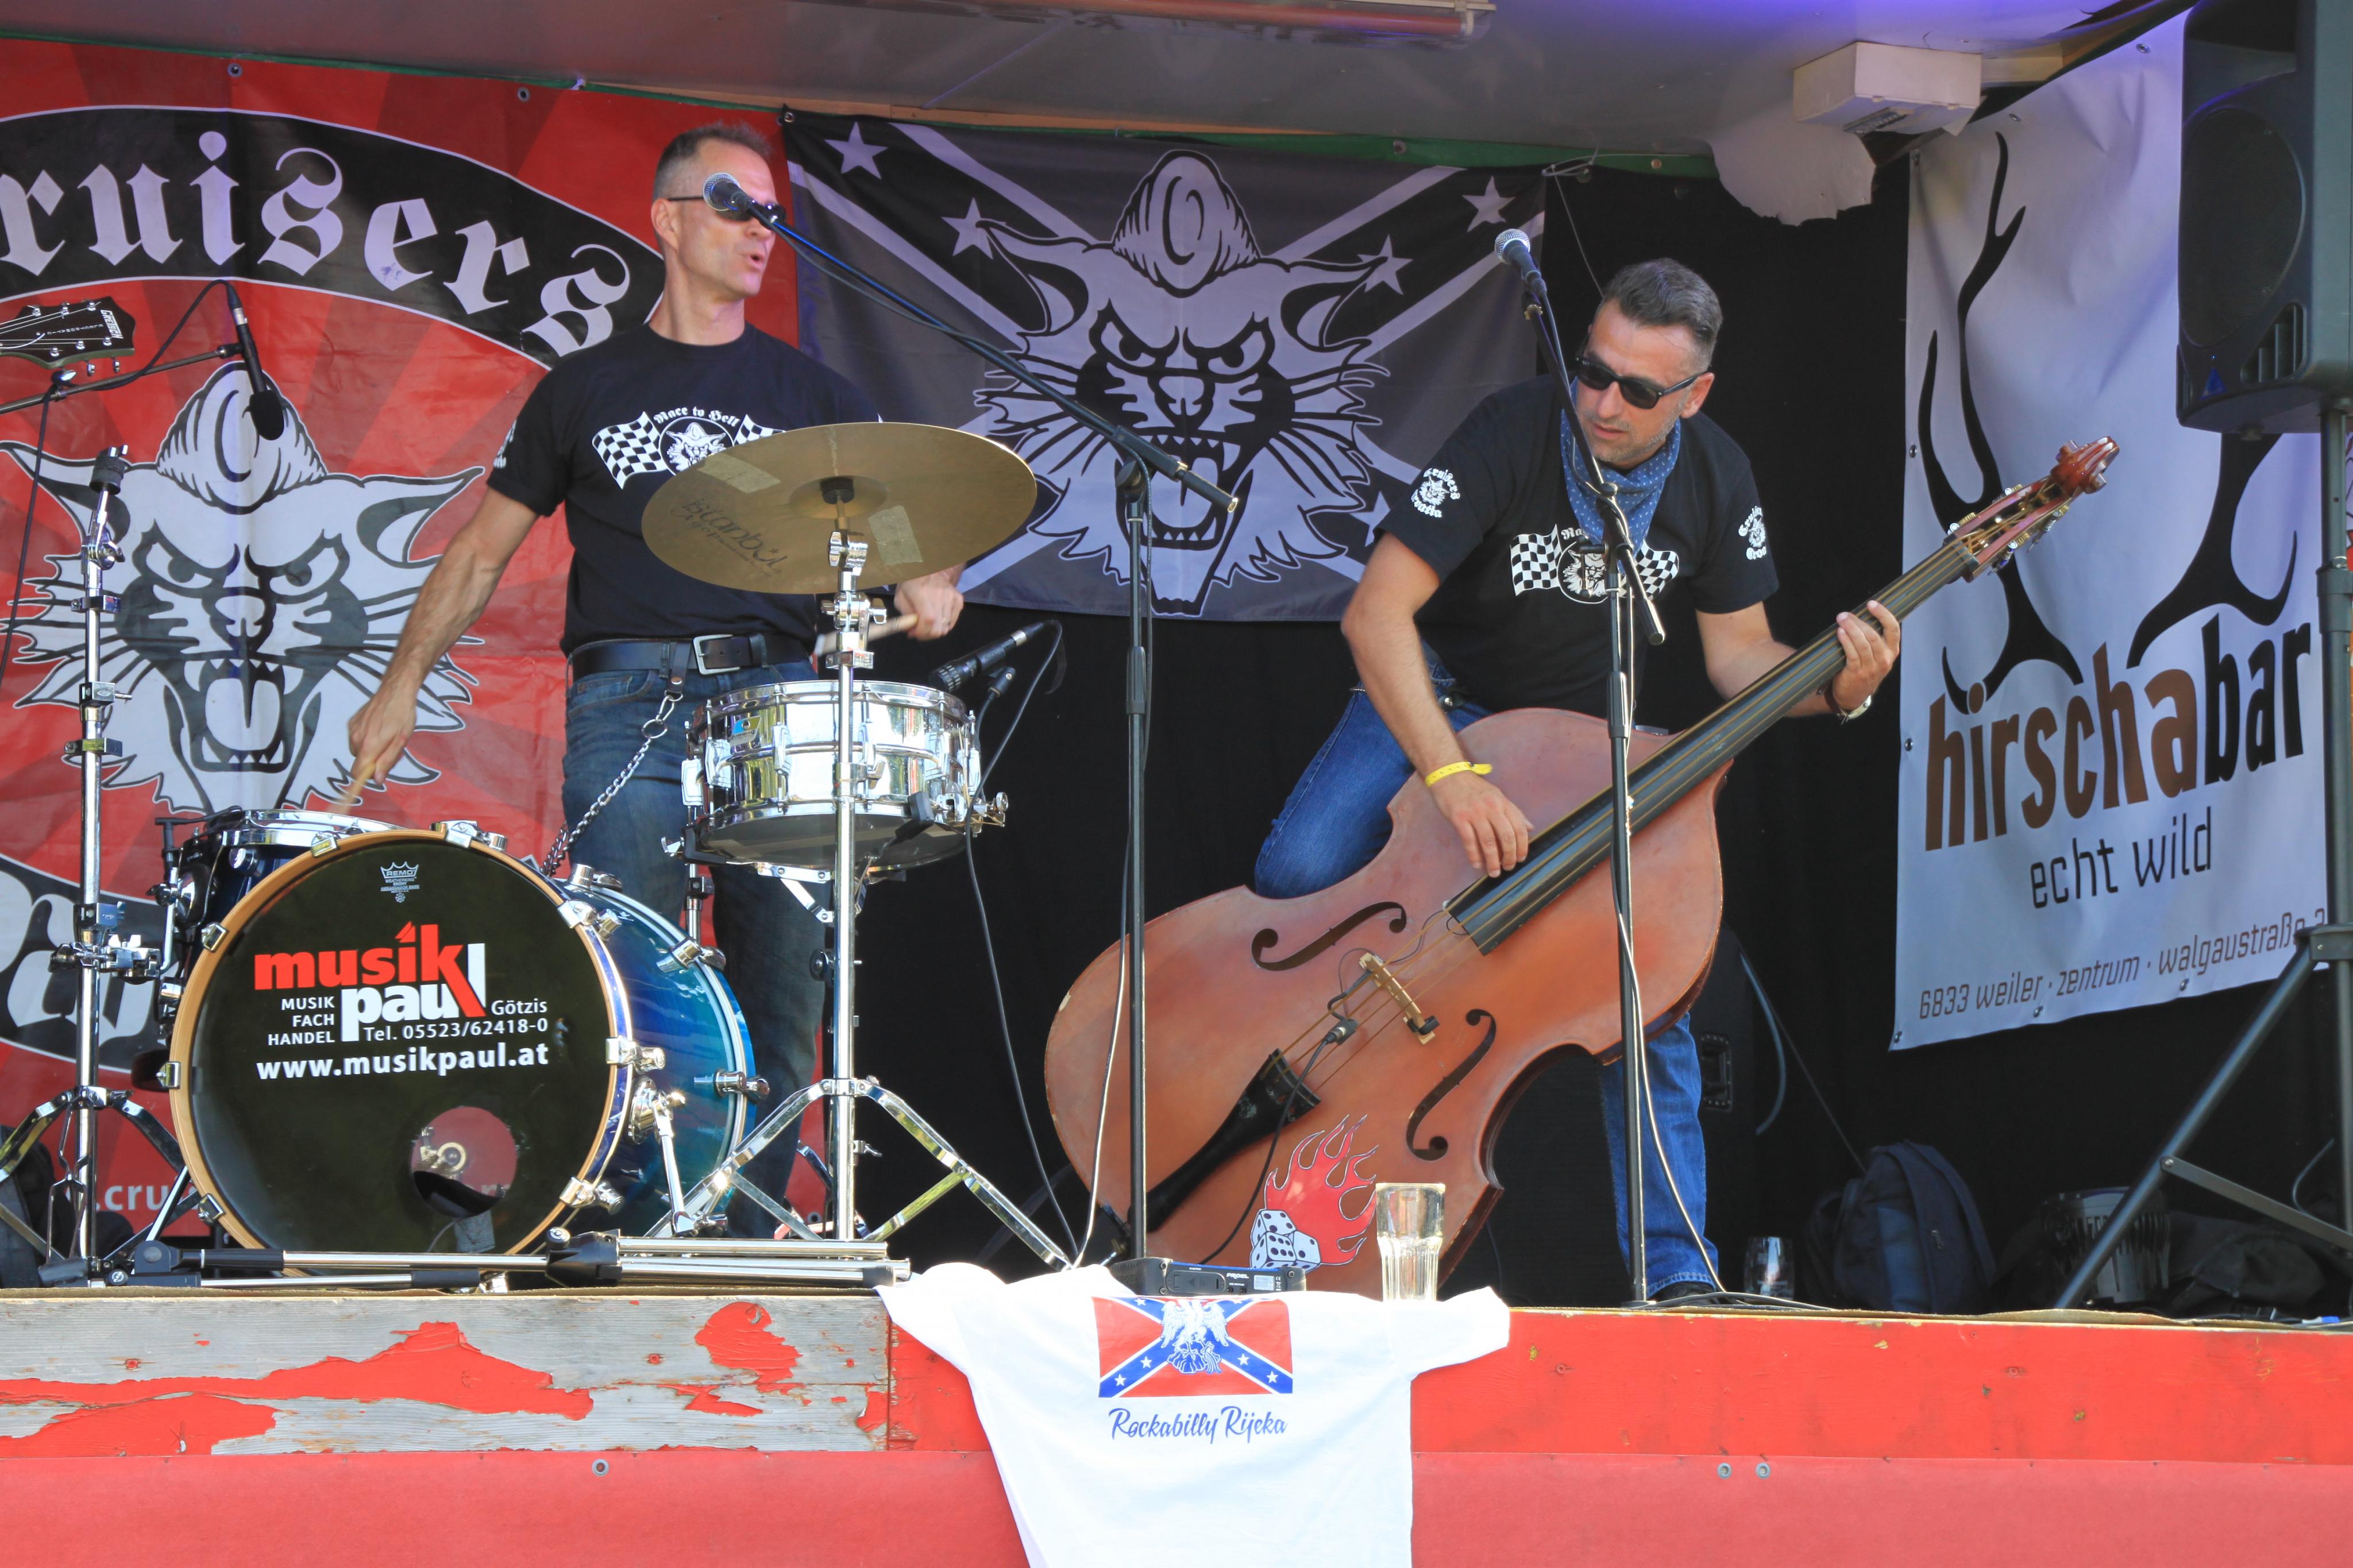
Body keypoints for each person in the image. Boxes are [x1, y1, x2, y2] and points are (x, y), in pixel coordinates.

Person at [1253, 259, 1900, 1300]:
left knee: (1651, 976)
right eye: (1592, 371)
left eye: (1638, 390)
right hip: (1448, 700)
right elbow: (1376, 613)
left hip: (1585, 747)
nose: (1603, 402)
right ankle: (1274, 1175)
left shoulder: (1717, 473)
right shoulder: (1511, 431)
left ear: (1695, 394)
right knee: (1300, 872)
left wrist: (1841, 688)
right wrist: (1453, 773)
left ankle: (1676, 1272)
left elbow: (1740, 658)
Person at [344, 121, 965, 1124]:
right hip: (628, 700)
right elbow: (478, 554)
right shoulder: (585, 387)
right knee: (630, 989)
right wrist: (400, 684)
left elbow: (911, 526)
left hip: (777, 703)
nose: (761, 229)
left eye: (771, 212)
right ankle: (645, 1197)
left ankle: (756, 1211)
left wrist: (931, 575)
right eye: (734, 205)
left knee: (780, 1001)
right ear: (667, 221)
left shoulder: (815, 395)